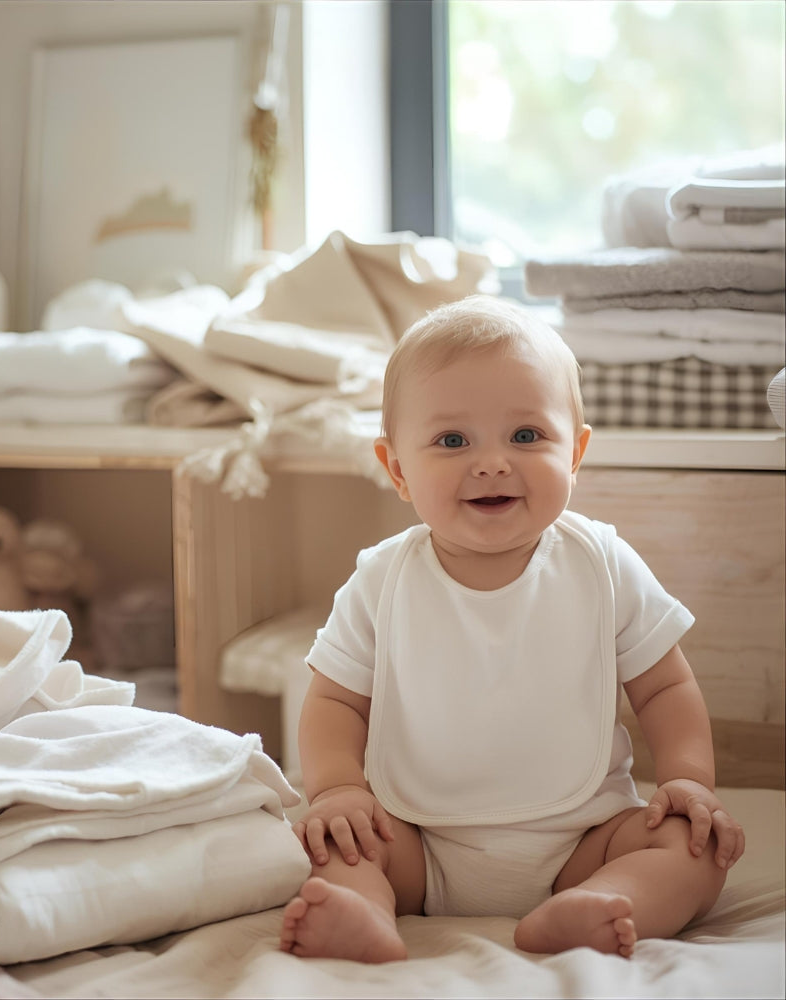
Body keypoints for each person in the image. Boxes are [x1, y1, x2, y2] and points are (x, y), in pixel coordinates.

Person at [278, 295, 745, 963]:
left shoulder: (603, 563)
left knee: (693, 848)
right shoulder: (382, 579)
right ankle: (361, 911)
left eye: (526, 436)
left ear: (576, 452)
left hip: (583, 843)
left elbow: (665, 686)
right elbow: (335, 701)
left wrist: (690, 778)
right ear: (398, 469)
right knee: (337, 843)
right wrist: (338, 788)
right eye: (452, 441)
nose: (492, 462)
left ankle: (599, 904)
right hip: (419, 841)